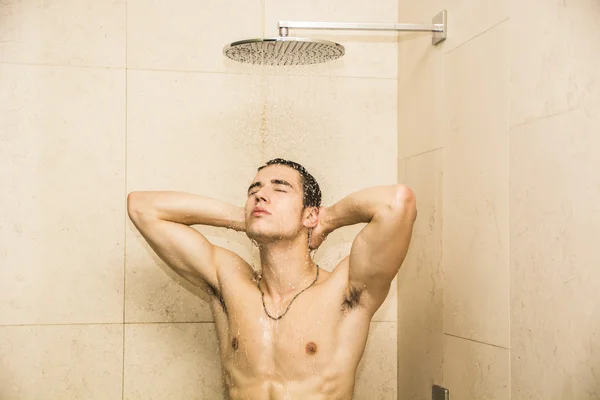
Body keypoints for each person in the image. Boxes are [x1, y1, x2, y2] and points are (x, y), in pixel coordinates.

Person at [127, 158, 417, 400]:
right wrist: (243, 218)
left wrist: (328, 220)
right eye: (254, 189)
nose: (260, 195)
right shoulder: (229, 282)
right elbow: (141, 207)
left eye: (280, 189)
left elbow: (397, 202)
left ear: (309, 214)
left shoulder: (344, 290)